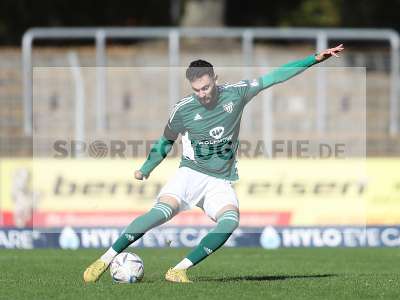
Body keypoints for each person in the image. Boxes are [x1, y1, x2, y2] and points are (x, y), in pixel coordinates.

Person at [83, 44, 344, 283]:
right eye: (196, 90)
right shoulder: (183, 110)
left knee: (230, 222)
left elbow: (274, 77)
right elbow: (165, 141)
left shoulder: (237, 94)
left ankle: (179, 269)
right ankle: (104, 260)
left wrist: (314, 59)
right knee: (159, 214)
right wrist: (146, 168)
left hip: (220, 180)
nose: (202, 94)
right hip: (190, 174)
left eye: (206, 88)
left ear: (215, 80)